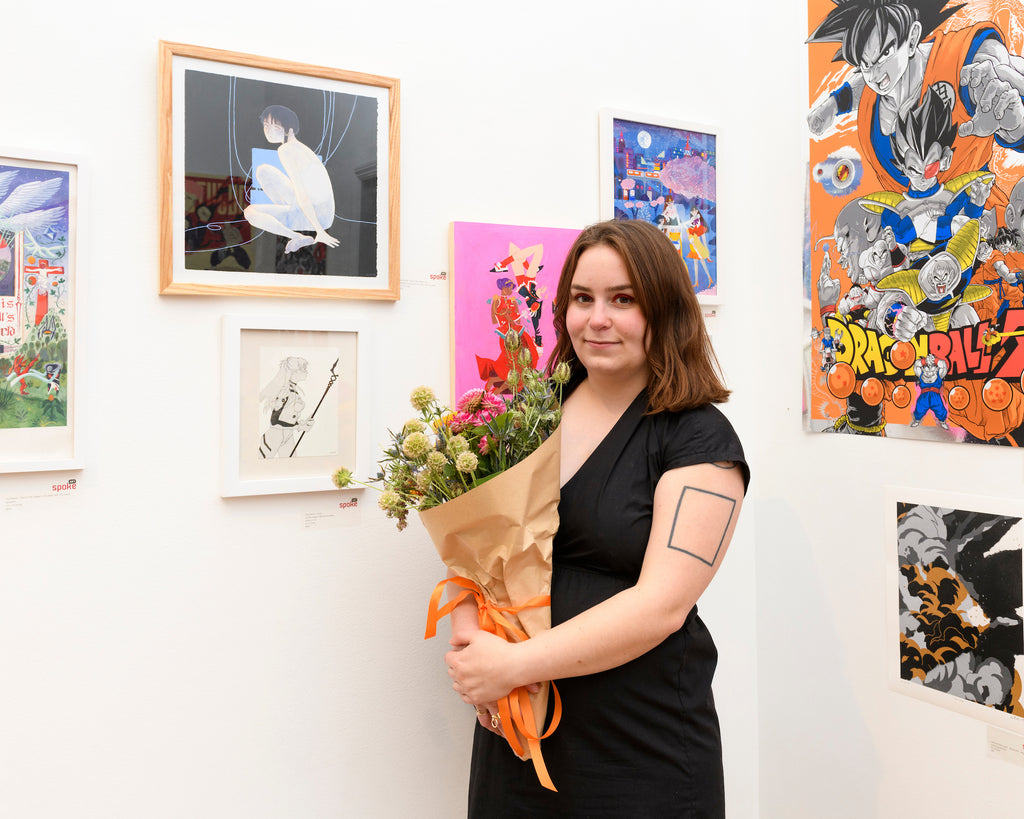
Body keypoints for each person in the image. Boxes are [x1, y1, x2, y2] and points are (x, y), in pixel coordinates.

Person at [444, 219, 750, 816]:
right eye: (582, 299)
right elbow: (478, 547)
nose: (597, 319)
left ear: (664, 311)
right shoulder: (529, 413)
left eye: (623, 300)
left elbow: (661, 607)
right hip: (519, 732)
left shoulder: (699, 439)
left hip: (636, 745)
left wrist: (511, 665)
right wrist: (470, 637)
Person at [243, 105, 339, 255]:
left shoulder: (287, 150)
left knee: (250, 212)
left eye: (275, 126)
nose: (268, 131)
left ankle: (297, 236)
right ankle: (286, 214)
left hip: (317, 215)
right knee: (263, 171)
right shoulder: (297, 147)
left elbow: (302, 191)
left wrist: (320, 231)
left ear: (290, 130)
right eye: (266, 125)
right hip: (320, 210)